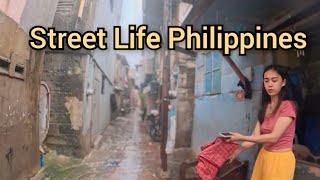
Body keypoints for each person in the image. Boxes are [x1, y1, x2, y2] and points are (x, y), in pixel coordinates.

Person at [227, 64, 299, 180]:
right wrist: (237, 150)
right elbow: (256, 137)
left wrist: (241, 137)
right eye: (266, 81)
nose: (270, 84)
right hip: (264, 155)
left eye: (274, 80)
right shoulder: (265, 107)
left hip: (281, 160)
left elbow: (273, 137)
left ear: (283, 82)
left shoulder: (288, 106)